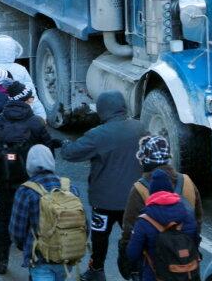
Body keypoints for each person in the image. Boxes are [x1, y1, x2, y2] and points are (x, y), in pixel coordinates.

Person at [60, 91, 146, 281]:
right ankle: (134, 271)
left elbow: (71, 153)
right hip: (133, 200)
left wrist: (64, 143)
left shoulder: (98, 134)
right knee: (133, 236)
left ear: (102, 110)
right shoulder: (139, 128)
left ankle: (96, 269)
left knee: (100, 237)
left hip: (103, 201)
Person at [0, 81, 57, 274]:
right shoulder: (36, 123)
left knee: (3, 219)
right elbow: (48, 153)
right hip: (33, 183)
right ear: (26, 100)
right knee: (36, 221)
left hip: (4, 182)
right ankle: (34, 262)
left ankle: (1, 260)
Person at [118, 135, 203, 278]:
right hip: (187, 264)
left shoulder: (139, 189)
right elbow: (198, 219)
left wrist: (125, 259)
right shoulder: (187, 181)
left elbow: (129, 229)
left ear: (145, 160)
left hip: (155, 268)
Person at [9, 145, 88, 281]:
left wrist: (26, 247)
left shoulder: (26, 191)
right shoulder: (69, 188)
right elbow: (84, 224)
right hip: (67, 255)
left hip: (41, 258)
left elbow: (17, 231)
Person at [125, 169, 199, 281]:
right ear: (170, 190)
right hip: (186, 274)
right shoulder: (188, 213)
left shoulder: (144, 220)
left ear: (152, 192)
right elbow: (195, 242)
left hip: (155, 276)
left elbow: (132, 254)